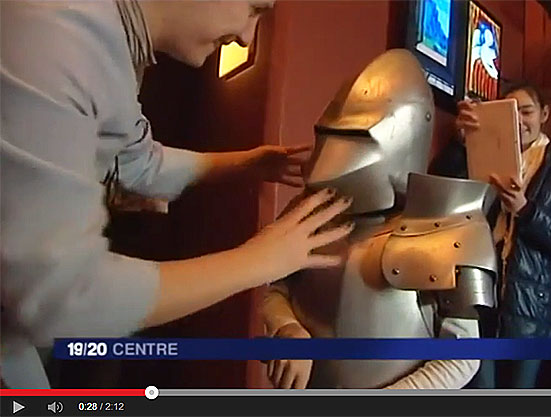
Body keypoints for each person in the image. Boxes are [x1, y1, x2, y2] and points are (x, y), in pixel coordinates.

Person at [1, 1, 353, 388]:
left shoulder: (115, 42)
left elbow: (137, 161)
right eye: (254, 9)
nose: (246, 36)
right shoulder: (56, 34)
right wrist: (258, 261)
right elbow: (64, 297)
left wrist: (250, 164)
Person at [261, 49, 498, 389]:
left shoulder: (451, 227)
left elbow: (462, 354)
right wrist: (287, 327)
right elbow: (278, 288)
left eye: (356, 137)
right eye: (331, 134)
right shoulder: (312, 212)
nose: (334, 154)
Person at [430, 82, 551, 388]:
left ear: (544, 114)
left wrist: (526, 209)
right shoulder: (481, 157)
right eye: (509, 113)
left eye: (526, 111)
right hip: (477, 298)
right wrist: (461, 143)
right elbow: (441, 197)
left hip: (532, 309)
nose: (518, 121)